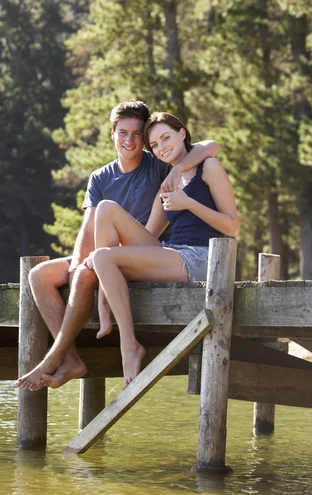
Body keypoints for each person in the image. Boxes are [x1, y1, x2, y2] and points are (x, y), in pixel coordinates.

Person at [15, 102, 220, 391]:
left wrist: (179, 169)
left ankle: (53, 358)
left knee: (93, 261)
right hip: (107, 252)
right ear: (112, 134)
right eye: (123, 133)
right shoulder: (100, 177)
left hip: (145, 251)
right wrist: (76, 264)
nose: (130, 140)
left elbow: (209, 146)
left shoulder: (159, 163)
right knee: (40, 275)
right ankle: (72, 361)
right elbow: (88, 228)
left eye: (138, 134)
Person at [73, 111, 240, 389]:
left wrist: (188, 203)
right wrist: (115, 260)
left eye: (166, 138)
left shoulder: (208, 167)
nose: (162, 147)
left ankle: (129, 345)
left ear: (182, 133)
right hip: (172, 252)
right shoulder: (167, 182)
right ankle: (105, 294)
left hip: (201, 258)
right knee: (105, 210)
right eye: (155, 145)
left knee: (103, 256)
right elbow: (148, 236)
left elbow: (232, 227)